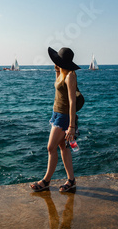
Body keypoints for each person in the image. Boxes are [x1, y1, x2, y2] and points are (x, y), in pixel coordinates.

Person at [30, 47, 80, 192]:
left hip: (64, 117)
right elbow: (58, 87)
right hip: (56, 114)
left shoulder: (70, 75)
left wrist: (71, 126)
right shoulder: (62, 73)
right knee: (63, 147)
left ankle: (46, 181)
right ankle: (71, 180)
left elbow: (72, 102)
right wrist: (56, 70)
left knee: (50, 147)